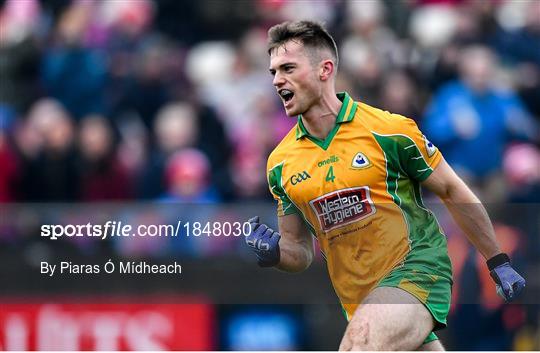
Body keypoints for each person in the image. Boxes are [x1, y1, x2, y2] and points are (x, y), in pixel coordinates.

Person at [244, 20, 526, 351]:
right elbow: (300, 251)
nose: (278, 81)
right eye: (274, 71)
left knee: (358, 346)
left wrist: (497, 261)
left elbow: (451, 189)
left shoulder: (389, 130)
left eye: (288, 68)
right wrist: (275, 252)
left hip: (418, 272)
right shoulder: (280, 163)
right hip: (359, 299)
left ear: (325, 69)